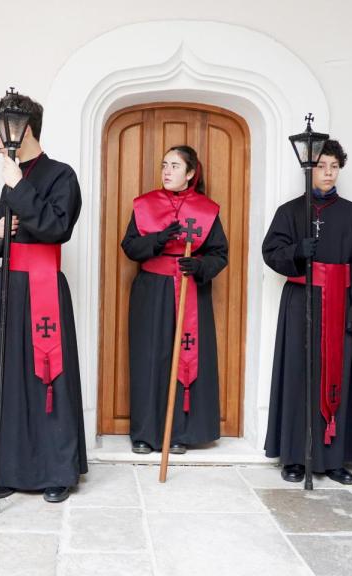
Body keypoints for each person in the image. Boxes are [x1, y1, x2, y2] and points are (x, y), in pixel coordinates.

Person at [0, 90, 87, 503]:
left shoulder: (61, 175)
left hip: (44, 287)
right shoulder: (12, 175)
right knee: (6, 378)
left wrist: (19, 187)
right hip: (8, 287)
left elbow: (56, 227)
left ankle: (55, 472)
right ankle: (5, 468)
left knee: (48, 376)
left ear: (24, 129)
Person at [263, 139, 352, 485]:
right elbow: (271, 252)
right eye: (321, 166)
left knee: (338, 376)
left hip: (339, 304)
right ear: (309, 169)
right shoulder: (289, 211)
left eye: (334, 166)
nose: (328, 173)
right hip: (301, 302)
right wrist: (297, 251)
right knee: (299, 376)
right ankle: (295, 457)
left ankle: (334, 459)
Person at [120, 145, 227, 455]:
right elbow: (130, 247)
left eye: (175, 166)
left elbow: (219, 254)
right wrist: (159, 239)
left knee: (185, 358)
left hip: (190, 289)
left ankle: (180, 432)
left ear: (190, 173)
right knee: (149, 358)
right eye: (164, 165)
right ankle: (145, 433)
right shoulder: (144, 204)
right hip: (151, 291)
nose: (167, 171)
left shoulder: (206, 210)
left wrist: (199, 266)